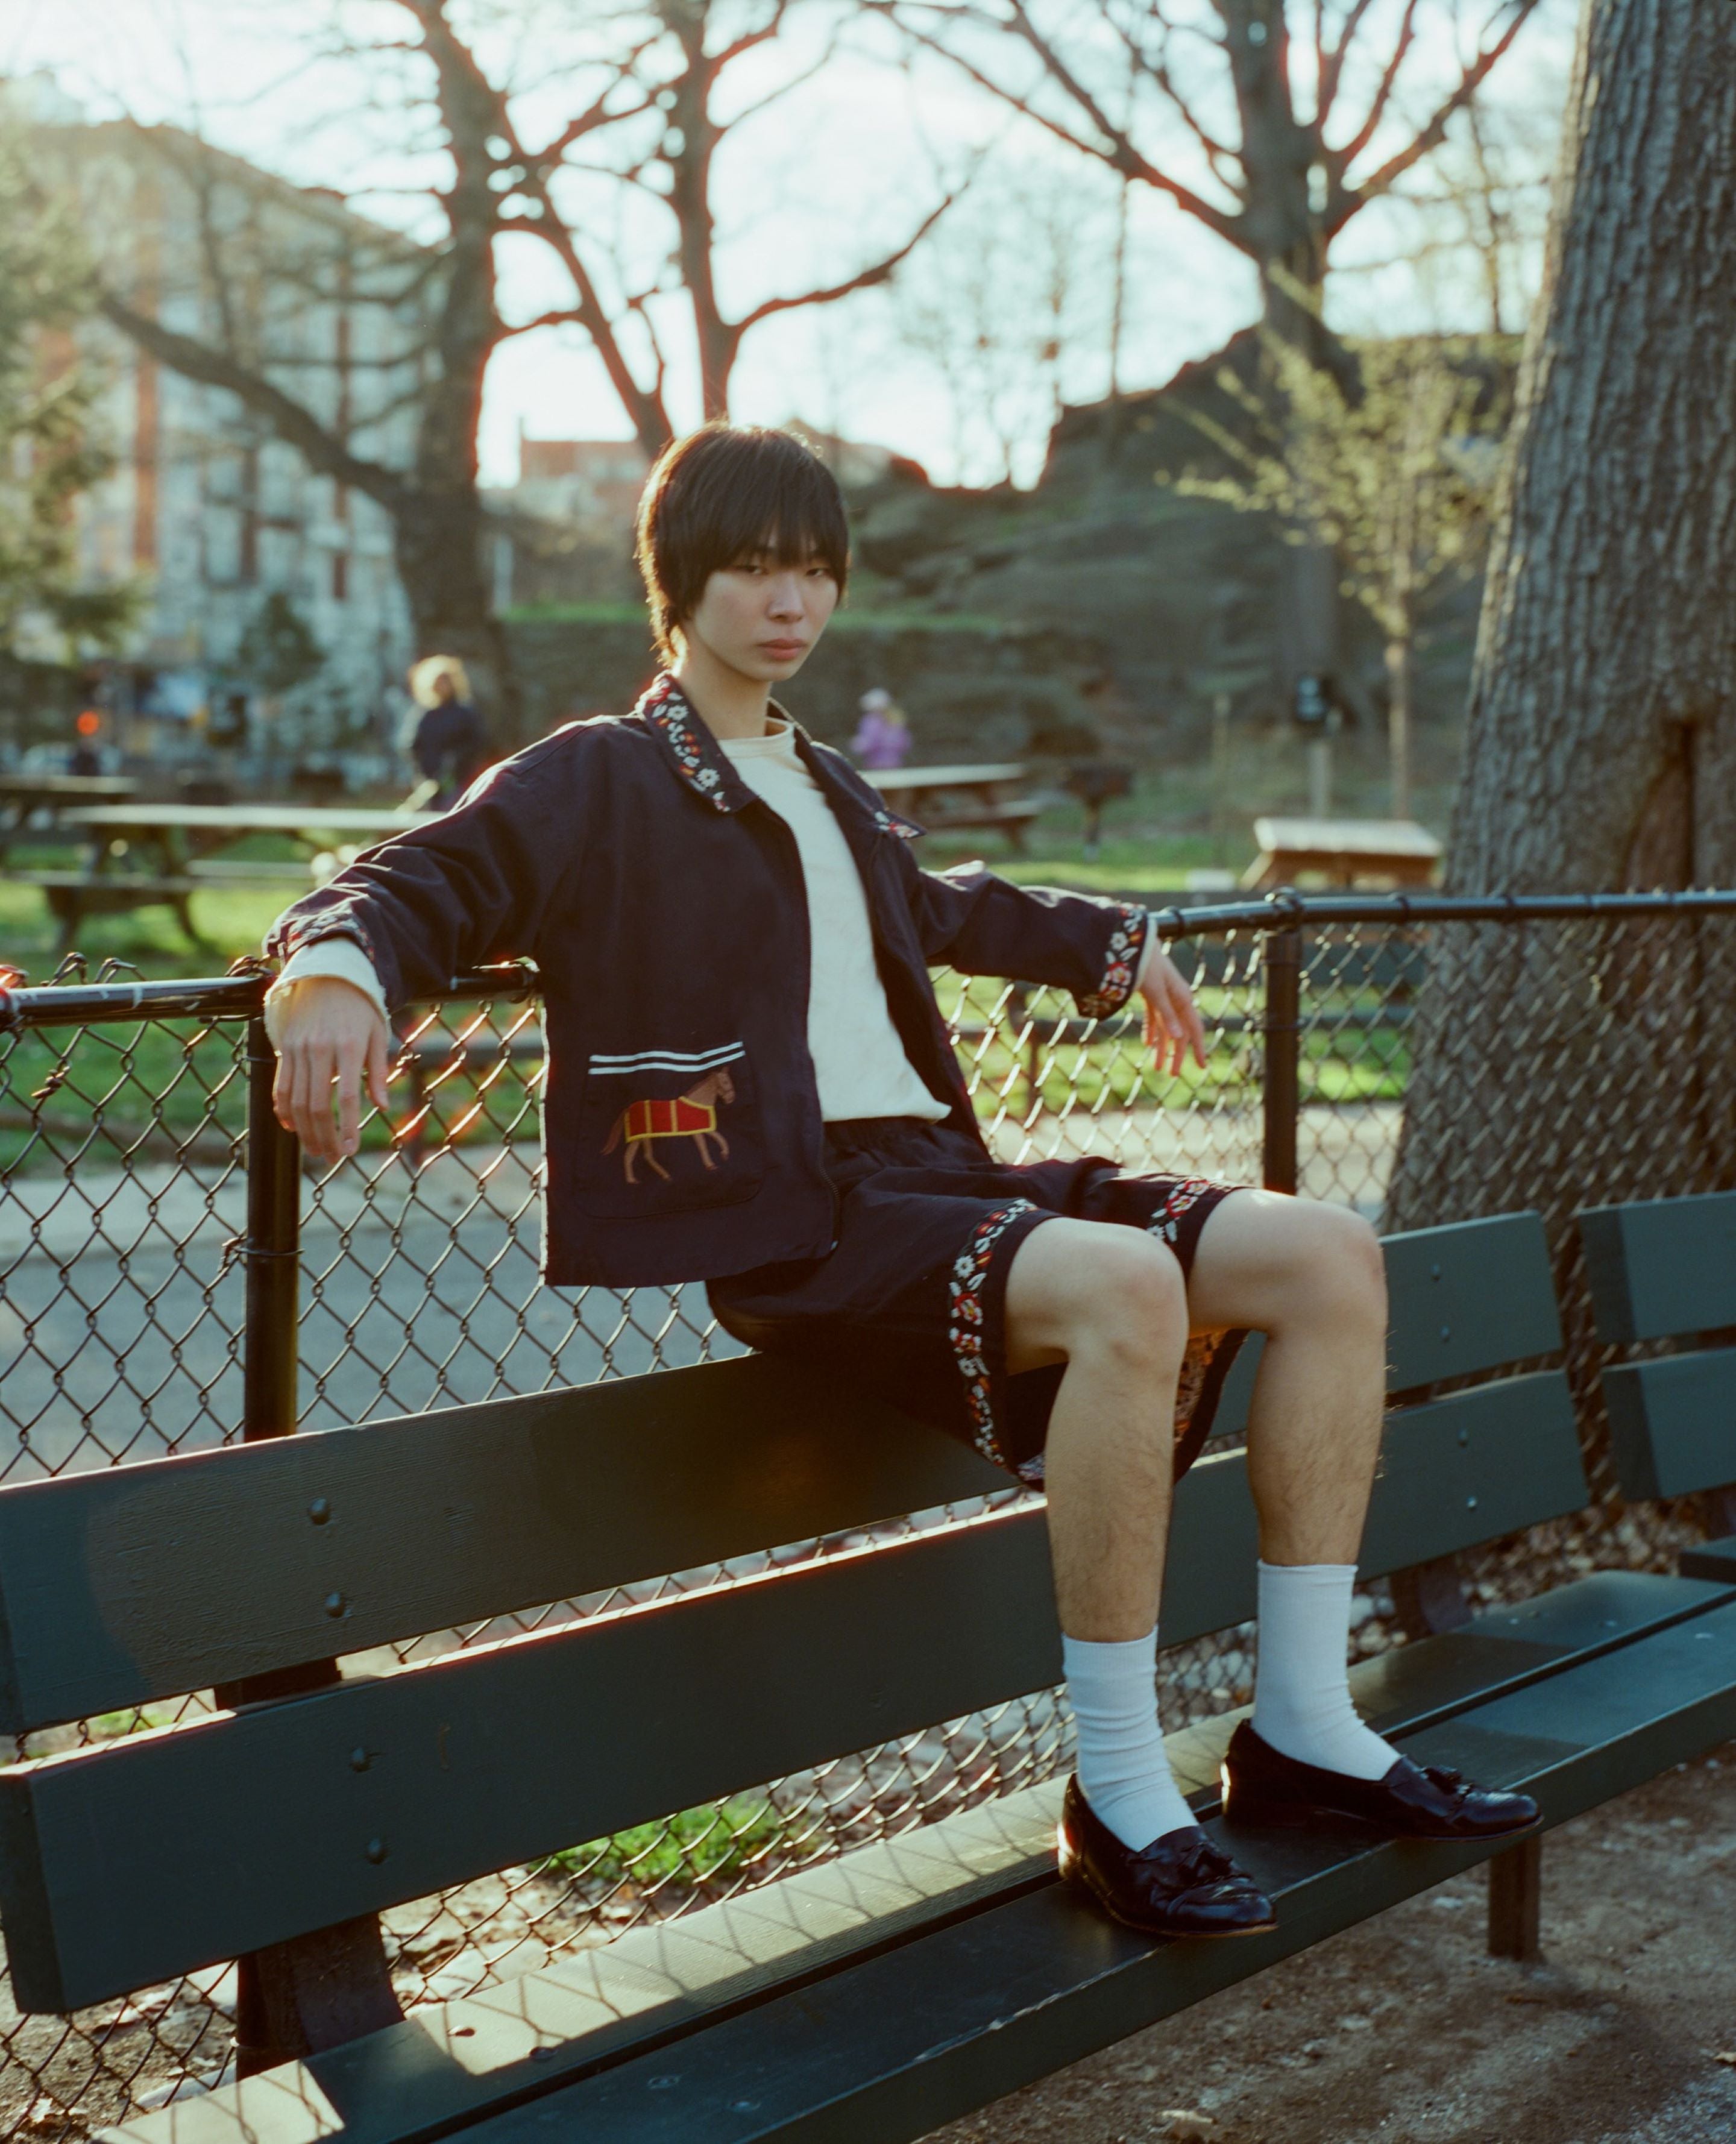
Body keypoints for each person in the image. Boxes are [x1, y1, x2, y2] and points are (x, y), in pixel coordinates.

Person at [262, 424, 1535, 1942]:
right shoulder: (597, 777)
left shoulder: (822, 779)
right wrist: (333, 968)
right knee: (1128, 1285)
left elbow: (931, 907)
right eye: (751, 568)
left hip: (939, 1175)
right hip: (799, 1211)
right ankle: (1122, 1794)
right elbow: (419, 878)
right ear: (678, 584)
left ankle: (1304, 1729)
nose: (788, 602)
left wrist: (1104, 943)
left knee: (1328, 1251)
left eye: (812, 570)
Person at [406, 655, 491, 809]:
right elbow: (412, 745)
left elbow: (477, 742)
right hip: (429, 780)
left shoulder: (465, 713)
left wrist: (456, 762)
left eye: (445, 681)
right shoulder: (425, 714)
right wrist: (422, 770)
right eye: (438, 681)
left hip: (458, 779)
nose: (442, 686)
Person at [849, 687, 911, 770]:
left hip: (886, 763)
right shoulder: (871, 720)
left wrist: (862, 745)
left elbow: (902, 743)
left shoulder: (891, 721)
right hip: (879, 762)